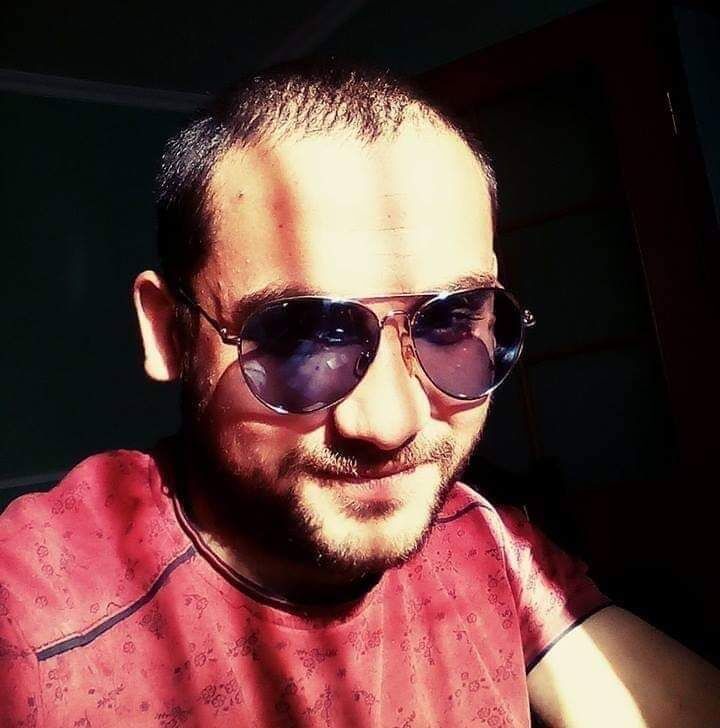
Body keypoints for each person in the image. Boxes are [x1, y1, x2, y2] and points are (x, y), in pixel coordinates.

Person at [1, 59, 718, 728]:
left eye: (450, 321)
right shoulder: (39, 628)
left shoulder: (481, 537)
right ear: (169, 334)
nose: (390, 423)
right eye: (299, 335)